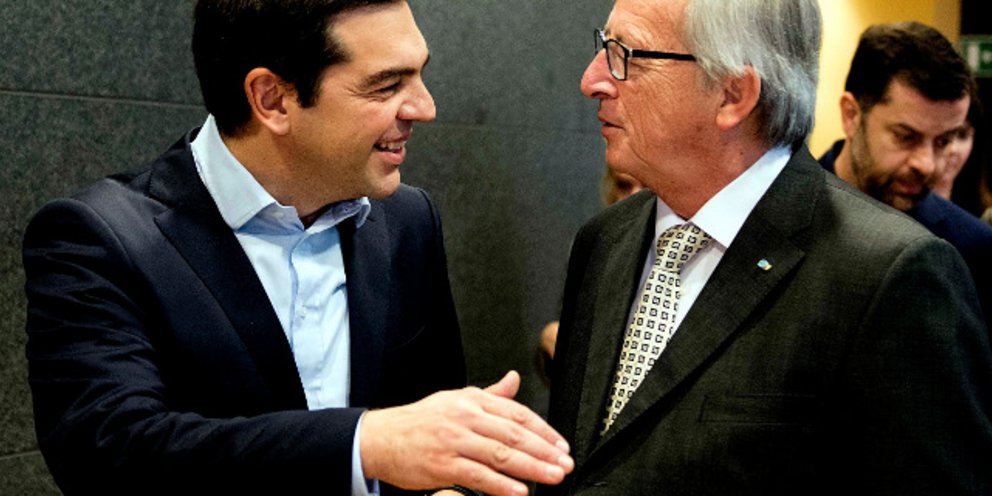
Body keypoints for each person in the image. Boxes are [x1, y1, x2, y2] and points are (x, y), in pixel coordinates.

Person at [21, 1, 573, 495]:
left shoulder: (407, 221)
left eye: (419, 75)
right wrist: (366, 444)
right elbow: (111, 453)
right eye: (386, 86)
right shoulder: (100, 238)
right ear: (272, 99)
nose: (424, 107)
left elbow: (434, 429)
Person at [541, 0, 992, 494]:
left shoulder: (888, 275)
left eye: (628, 55)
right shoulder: (605, 241)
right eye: (605, 46)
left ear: (732, 95)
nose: (592, 80)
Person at [819, 21, 992, 321]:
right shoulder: (776, 212)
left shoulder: (973, 248)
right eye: (906, 137)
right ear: (851, 115)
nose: (927, 164)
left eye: (944, 141)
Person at [537, 167, 643, 381]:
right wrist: (552, 340)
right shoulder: (597, 247)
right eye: (623, 185)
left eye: (649, 188)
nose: (635, 198)